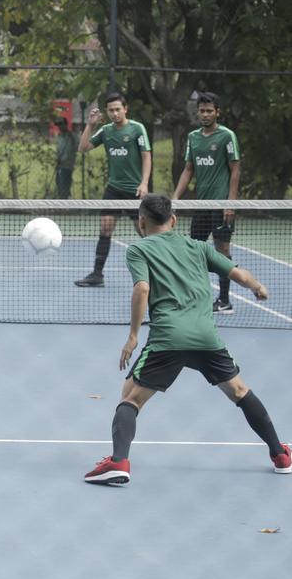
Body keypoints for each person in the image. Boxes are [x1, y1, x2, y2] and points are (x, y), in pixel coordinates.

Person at [84, 194, 289, 484]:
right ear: (174, 220)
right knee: (240, 391)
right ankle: (280, 454)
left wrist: (132, 337)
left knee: (131, 397)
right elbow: (236, 272)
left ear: (141, 222)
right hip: (206, 338)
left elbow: (142, 289)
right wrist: (257, 286)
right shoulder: (198, 247)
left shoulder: (138, 249)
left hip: (168, 338)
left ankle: (118, 462)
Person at [172, 92, 241, 314]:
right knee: (195, 251)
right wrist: (175, 198)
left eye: (209, 110)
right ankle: (196, 298)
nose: (205, 114)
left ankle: (224, 301)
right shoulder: (193, 137)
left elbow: (235, 169)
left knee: (222, 250)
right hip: (200, 205)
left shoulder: (226, 136)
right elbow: (188, 169)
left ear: (217, 112)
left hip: (220, 204)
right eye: (202, 110)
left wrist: (231, 203)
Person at [75, 93, 152, 287]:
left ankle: (157, 270)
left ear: (125, 109)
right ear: (107, 112)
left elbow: (146, 156)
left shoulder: (137, 129)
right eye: (111, 110)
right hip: (114, 189)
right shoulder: (106, 131)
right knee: (105, 229)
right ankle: (97, 275)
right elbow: (83, 147)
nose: (115, 113)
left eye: (118, 109)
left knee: (143, 231)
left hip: (134, 191)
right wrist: (91, 125)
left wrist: (144, 183)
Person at [51, 107, 76, 198]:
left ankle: (66, 201)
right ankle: (61, 200)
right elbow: (58, 149)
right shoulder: (60, 136)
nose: (60, 127)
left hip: (67, 165)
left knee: (65, 184)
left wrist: (64, 160)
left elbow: (72, 150)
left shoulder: (71, 136)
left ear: (66, 125)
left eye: (61, 125)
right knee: (59, 183)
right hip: (59, 165)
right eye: (58, 125)